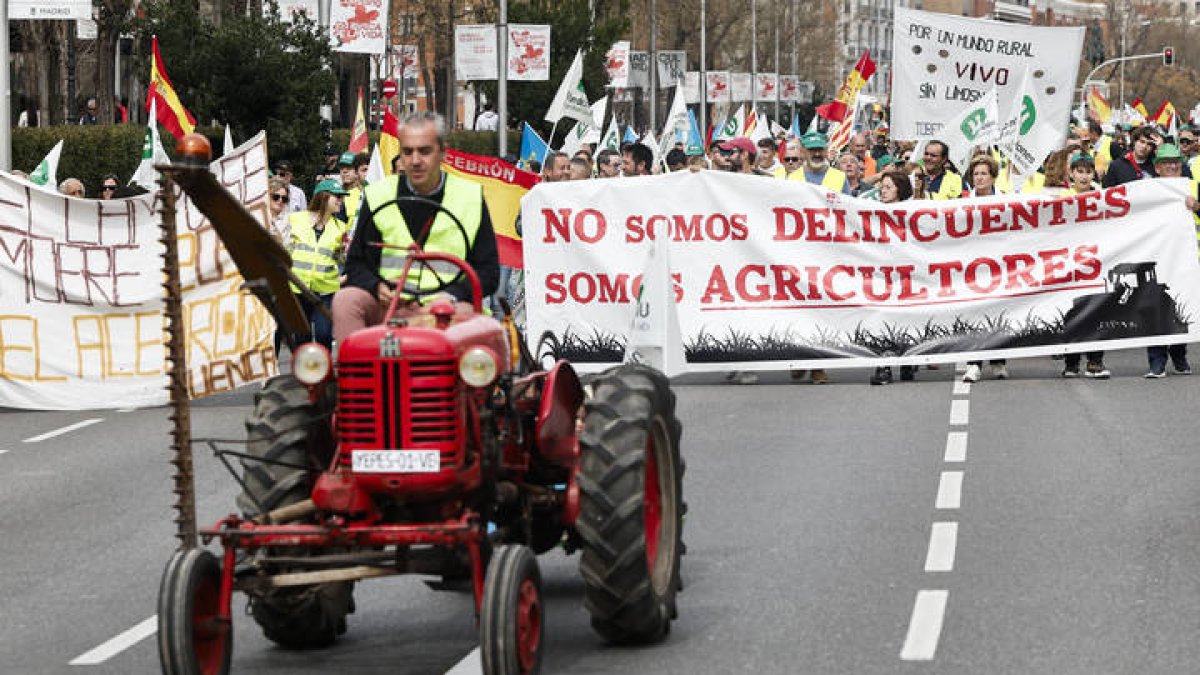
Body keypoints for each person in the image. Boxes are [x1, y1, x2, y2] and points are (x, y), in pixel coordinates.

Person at [332, 111, 499, 345]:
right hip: (389, 305)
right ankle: (353, 375)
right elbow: (355, 264)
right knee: (345, 300)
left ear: (443, 151)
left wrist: (451, 297)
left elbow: (488, 273)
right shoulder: (378, 195)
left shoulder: (470, 197)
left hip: (448, 308)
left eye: (425, 151)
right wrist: (376, 286)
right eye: (408, 151)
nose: (415, 160)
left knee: (467, 320)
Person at [1059, 154, 1110, 378]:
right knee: (1073, 312)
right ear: (1071, 173)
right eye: (1079, 171)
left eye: (1088, 171)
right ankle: (1071, 363)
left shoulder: (1103, 197)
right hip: (1070, 264)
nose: (1084, 175)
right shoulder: (1062, 197)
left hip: (1097, 262)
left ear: (1094, 174)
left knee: (1097, 312)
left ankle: (1095, 361)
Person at [1144, 143, 1193, 378]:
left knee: (1181, 307)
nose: (1173, 166)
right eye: (1167, 163)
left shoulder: (1192, 187)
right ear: (1157, 168)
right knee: (1155, 310)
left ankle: (1179, 354)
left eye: (1176, 162)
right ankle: (1157, 361)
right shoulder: (1145, 191)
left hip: (1187, 258)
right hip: (1157, 258)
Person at [960, 154, 1009, 383]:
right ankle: (974, 363)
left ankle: (998, 359)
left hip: (1000, 265)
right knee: (976, 313)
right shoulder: (962, 201)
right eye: (976, 174)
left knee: (999, 313)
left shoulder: (1007, 201)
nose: (979, 178)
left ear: (993, 177)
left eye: (983, 174)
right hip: (972, 265)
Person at [287, 179, 350, 350]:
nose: (340, 200)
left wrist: (342, 278)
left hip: (325, 291)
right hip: (298, 288)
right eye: (337, 196)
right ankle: (305, 374)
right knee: (302, 336)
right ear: (323, 197)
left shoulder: (341, 228)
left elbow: (342, 259)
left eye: (341, 197)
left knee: (323, 335)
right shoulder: (295, 220)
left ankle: (326, 373)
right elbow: (285, 249)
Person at [870, 170, 918, 385]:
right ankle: (885, 366)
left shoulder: (910, 213)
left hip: (906, 276)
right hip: (881, 276)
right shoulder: (871, 212)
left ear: (900, 190)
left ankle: (908, 360)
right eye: (882, 187)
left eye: (888, 187)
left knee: (906, 319)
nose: (883, 190)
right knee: (883, 320)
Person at [267, 177, 292, 245]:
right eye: (276, 197)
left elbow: (286, 245)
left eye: (284, 198)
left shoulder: (289, 220)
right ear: (267, 196)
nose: (280, 200)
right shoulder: (258, 215)